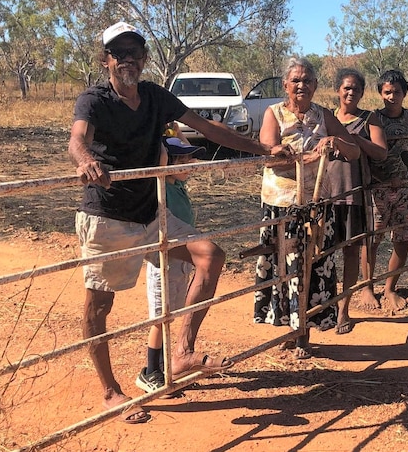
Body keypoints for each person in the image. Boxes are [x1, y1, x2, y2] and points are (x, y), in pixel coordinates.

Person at [70, 21, 291, 424]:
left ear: (145, 58)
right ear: (105, 61)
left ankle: (183, 350)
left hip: (152, 212)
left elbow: (209, 128)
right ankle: (110, 392)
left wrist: (262, 148)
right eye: (119, 53)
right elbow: (78, 137)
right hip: (107, 214)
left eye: (135, 52)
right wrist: (86, 160)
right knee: (99, 304)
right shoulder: (94, 100)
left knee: (210, 256)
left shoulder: (155, 96)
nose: (128, 60)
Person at [253, 57, 360, 358]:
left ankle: (304, 334)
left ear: (315, 85)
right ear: (285, 85)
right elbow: (268, 154)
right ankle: (291, 329)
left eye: (308, 80)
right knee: (287, 269)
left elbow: (353, 151)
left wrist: (334, 141)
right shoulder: (273, 114)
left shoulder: (324, 115)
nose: (302, 85)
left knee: (311, 266)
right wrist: (301, 157)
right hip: (282, 205)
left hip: (315, 205)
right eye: (296, 80)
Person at [135, 136, 205, 395]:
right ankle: (150, 371)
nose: (190, 164)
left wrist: (176, 130)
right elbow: (161, 156)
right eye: (183, 160)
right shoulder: (162, 184)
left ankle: (164, 370)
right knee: (160, 318)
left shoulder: (178, 186)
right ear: (168, 163)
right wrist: (162, 139)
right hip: (164, 262)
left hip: (181, 261)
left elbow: (182, 150)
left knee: (171, 314)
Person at [362, 69, 408, 312]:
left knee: (403, 238)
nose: (392, 96)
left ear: (405, 93)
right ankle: (367, 287)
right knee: (373, 239)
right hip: (377, 188)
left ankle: (390, 288)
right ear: (380, 93)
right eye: (387, 92)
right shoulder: (373, 119)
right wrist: (378, 179)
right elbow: (367, 156)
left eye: (396, 92)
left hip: (403, 187)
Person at [328, 68, 388, 331]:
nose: (351, 92)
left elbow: (381, 153)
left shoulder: (368, 119)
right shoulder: (327, 118)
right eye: (346, 88)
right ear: (338, 90)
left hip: (354, 193)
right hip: (327, 196)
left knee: (351, 251)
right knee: (323, 253)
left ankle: (344, 308)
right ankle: (324, 307)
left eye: (356, 89)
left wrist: (354, 141)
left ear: (362, 93)